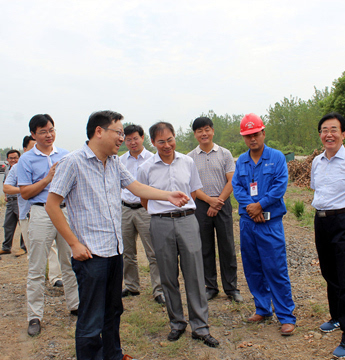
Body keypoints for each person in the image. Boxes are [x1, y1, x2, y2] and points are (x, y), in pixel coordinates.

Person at [45, 111, 189, 360]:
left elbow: (136, 187)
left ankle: (113, 354)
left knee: (114, 310)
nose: (123, 138)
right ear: (99, 131)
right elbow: (51, 204)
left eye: (124, 133)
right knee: (91, 318)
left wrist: (168, 195)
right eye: (119, 132)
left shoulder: (114, 162)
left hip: (114, 250)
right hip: (90, 254)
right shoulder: (73, 162)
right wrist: (74, 244)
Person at [137, 122, 219, 348]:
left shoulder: (188, 162)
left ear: (175, 138)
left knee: (194, 273)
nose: (167, 145)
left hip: (187, 221)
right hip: (160, 223)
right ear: (153, 143)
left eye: (170, 139)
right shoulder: (146, 167)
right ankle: (177, 323)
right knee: (168, 275)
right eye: (161, 141)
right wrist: (160, 213)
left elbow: (193, 191)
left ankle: (200, 327)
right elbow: (144, 198)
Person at [232, 113, 296, 336]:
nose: (252, 139)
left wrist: (261, 205)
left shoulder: (277, 157)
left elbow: (280, 185)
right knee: (253, 268)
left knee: (275, 269)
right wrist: (252, 207)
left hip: (270, 224)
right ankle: (262, 308)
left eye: (255, 134)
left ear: (263, 133)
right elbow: (237, 187)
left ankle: (286, 316)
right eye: (247, 135)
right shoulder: (241, 160)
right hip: (249, 223)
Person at [16, 114, 79, 337]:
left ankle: (75, 305)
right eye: (43, 132)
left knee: (69, 260)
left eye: (51, 130)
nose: (48, 135)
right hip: (41, 211)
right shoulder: (26, 160)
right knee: (36, 266)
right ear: (34, 134)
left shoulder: (65, 155)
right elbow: (24, 193)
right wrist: (47, 179)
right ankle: (35, 315)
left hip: (64, 212)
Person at [310, 112, 345, 358]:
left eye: (333, 130)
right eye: (324, 130)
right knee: (328, 272)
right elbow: (316, 189)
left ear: (343, 134)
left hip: (344, 221)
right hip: (321, 220)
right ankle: (337, 318)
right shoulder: (317, 161)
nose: (328, 134)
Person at [187, 117, 243, 303]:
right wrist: (209, 201)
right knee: (205, 247)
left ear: (212, 131)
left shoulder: (225, 154)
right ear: (194, 134)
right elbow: (192, 186)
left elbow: (231, 180)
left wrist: (218, 201)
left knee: (227, 246)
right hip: (201, 205)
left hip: (223, 203)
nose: (204, 133)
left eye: (207, 129)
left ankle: (231, 288)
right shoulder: (189, 158)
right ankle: (210, 287)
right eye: (199, 131)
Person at [3, 136, 63, 285]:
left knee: (53, 247)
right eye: (33, 147)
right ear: (25, 150)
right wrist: (26, 190)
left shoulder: (53, 163)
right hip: (27, 212)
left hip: (49, 211)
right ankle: (37, 279)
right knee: (33, 250)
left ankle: (55, 278)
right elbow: (6, 187)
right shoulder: (19, 167)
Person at [120, 124, 164, 304]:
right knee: (127, 252)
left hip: (145, 210)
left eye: (135, 138)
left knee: (153, 251)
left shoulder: (153, 159)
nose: (132, 142)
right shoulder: (120, 160)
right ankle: (131, 286)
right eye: (128, 139)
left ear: (142, 138)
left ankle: (159, 289)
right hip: (125, 209)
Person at [1, 149, 27, 256]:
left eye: (15, 158)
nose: (13, 160)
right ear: (7, 159)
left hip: (19, 200)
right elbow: (4, 184)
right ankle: (6, 247)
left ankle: (23, 247)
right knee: (8, 225)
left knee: (23, 224)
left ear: (19, 158)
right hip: (10, 202)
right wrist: (6, 196)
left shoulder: (21, 169)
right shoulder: (7, 170)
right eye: (11, 158)